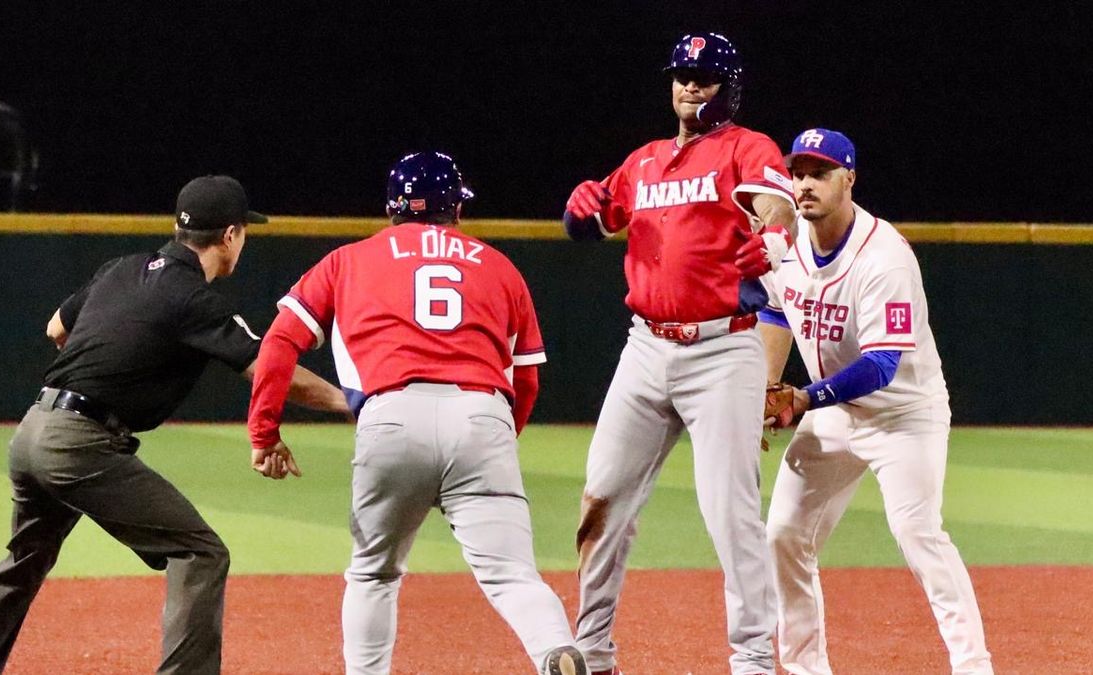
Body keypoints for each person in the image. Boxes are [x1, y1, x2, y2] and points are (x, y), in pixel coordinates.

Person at [0, 175, 348, 675]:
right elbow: (271, 369)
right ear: (230, 235)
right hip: (79, 444)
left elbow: (56, 328)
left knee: (25, 560)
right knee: (200, 553)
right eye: (244, 230)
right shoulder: (194, 299)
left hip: (33, 429)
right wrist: (351, 401)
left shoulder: (122, 268)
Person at [246, 152, 587, 675]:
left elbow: (279, 343)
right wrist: (496, 440)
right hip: (481, 415)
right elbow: (527, 381)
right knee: (514, 576)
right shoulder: (499, 266)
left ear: (392, 208)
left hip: (392, 416)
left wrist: (264, 431)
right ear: (457, 208)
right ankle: (555, 649)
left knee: (373, 575)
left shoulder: (347, 260)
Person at [561, 32, 797, 675]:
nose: (690, 85)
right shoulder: (643, 161)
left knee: (730, 512)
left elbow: (776, 206)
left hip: (723, 350)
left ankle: (753, 659)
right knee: (602, 499)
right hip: (645, 348)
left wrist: (775, 236)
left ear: (729, 88)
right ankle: (594, 651)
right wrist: (579, 211)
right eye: (682, 75)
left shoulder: (746, 147)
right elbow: (593, 221)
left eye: (705, 76)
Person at [759, 129, 993, 674]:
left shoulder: (883, 255)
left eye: (820, 173)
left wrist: (803, 397)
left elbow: (882, 364)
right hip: (833, 413)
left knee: (917, 532)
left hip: (904, 416)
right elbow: (774, 311)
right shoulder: (787, 246)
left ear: (849, 179)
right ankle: (804, 668)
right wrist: (768, 390)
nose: (805, 184)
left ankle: (973, 665)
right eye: (798, 173)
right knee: (785, 534)